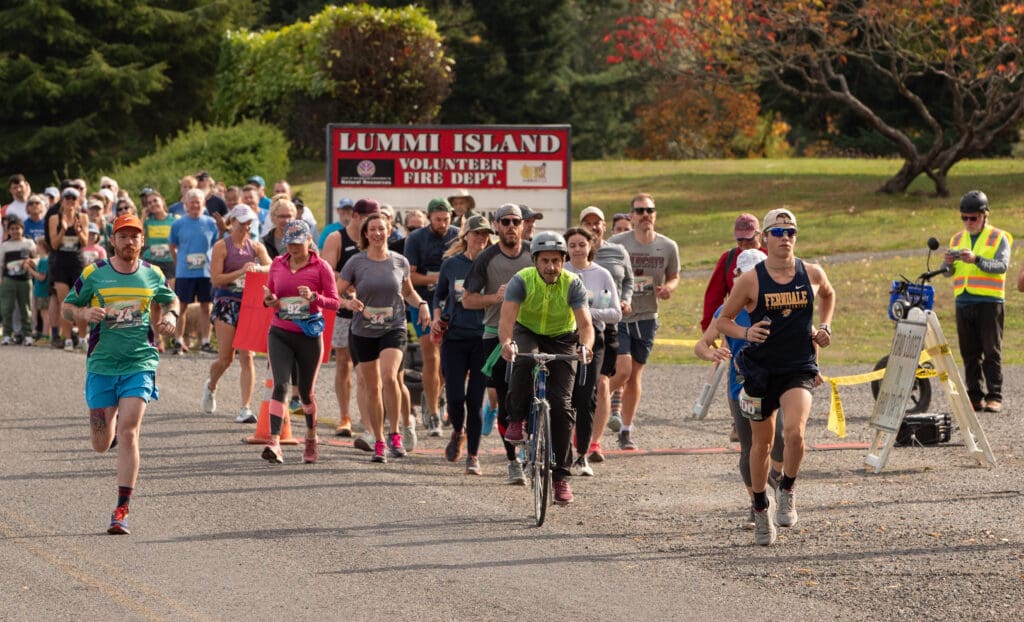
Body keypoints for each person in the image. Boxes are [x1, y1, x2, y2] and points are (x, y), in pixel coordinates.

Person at [716, 208, 835, 546]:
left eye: (791, 233)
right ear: (765, 238)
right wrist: (746, 331)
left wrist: (825, 326)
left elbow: (828, 293)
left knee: (795, 435)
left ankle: (787, 488)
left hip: (798, 367)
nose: (785, 238)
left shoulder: (811, 272)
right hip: (760, 371)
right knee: (761, 445)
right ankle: (758, 506)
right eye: (778, 233)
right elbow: (723, 320)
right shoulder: (751, 279)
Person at [62, 212, 180, 535]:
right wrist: (84, 312)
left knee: (130, 431)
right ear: (112, 240)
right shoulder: (94, 274)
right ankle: (109, 433)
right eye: (123, 236)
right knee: (101, 443)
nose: (129, 241)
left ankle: (122, 509)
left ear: (143, 241)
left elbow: (172, 301)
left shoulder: (153, 274)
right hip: (101, 365)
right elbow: (66, 307)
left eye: (135, 236)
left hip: (139, 363)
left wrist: (170, 316)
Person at [500, 231, 594, 506]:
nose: (551, 267)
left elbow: (586, 325)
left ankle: (561, 477)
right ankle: (517, 420)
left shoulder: (572, 283)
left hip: (562, 336)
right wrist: (507, 343)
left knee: (562, 405)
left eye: (556, 261)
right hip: (527, 330)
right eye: (545, 261)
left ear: (564, 261)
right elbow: (507, 321)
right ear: (535, 261)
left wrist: (585, 347)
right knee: (524, 359)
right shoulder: (522, 280)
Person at [695, 248, 786, 530]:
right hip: (741, 387)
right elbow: (701, 344)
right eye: (744, 273)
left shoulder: (777, 304)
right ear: (735, 277)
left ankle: (779, 480)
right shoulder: (727, 311)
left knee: (781, 438)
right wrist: (711, 354)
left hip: (777, 382)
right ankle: (758, 503)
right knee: (749, 448)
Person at [338, 213, 431, 463]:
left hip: (394, 327)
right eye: (373, 230)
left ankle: (395, 435)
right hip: (363, 330)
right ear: (365, 235)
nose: (378, 233)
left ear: (389, 231)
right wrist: (348, 302)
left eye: (382, 229)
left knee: (390, 376)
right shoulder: (356, 262)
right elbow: (335, 294)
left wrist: (421, 303)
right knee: (372, 387)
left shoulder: (400, 261)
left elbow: (408, 292)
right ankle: (378, 440)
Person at [462, 203, 534, 484]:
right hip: (495, 335)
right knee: (505, 401)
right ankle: (512, 461)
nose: (511, 226)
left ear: (522, 224)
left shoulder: (534, 253)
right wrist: (495, 297)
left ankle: (539, 444)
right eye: (505, 221)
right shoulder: (487, 258)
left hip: (532, 332)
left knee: (536, 393)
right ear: (497, 225)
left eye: (516, 221)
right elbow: (467, 299)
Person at [260, 220, 340, 464]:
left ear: (308, 241)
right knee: (281, 385)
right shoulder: (277, 264)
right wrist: (270, 300)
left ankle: (311, 437)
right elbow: (270, 295)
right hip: (280, 332)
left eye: (297, 243)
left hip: (308, 334)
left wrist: (314, 296)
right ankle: (274, 442)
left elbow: (335, 302)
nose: (292, 248)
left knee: (305, 392)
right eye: (288, 243)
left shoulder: (321, 267)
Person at [608, 193, 680, 450]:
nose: (645, 215)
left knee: (635, 375)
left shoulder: (668, 246)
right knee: (623, 370)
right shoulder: (616, 244)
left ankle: (625, 430)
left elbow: (673, 275)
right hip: (621, 315)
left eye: (650, 210)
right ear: (631, 216)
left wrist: (669, 288)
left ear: (655, 214)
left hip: (648, 316)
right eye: (640, 211)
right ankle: (592, 401)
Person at [433, 214, 493, 474]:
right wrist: (436, 318)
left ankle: (473, 456)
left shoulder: (493, 264)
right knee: (456, 397)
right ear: (465, 235)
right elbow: (438, 297)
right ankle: (458, 430)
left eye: (485, 234)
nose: (481, 238)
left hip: (483, 338)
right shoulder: (451, 265)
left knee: (475, 399)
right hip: (455, 337)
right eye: (476, 233)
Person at [943, 190, 1012, 413]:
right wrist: (947, 264)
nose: (968, 222)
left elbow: (1001, 266)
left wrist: (977, 260)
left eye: (973, 218)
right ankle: (974, 397)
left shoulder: (999, 237)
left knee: (991, 351)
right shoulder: (956, 238)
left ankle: (994, 396)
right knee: (968, 352)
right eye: (964, 217)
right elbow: (948, 272)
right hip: (963, 301)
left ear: (985, 215)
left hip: (989, 301)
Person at [203, 206, 272, 423]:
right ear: (232, 222)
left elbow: (271, 266)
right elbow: (216, 279)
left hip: (249, 304)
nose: (246, 226)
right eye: (242, 222)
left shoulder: (256, 246)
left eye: (249, 222)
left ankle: (245, 408)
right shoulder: (222, 246)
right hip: (226, 302)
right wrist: (242, 271)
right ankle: (211, 385)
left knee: (247, 356)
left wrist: (258, 270)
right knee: (226, 358)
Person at [321, 198, 380, 443]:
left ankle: (368, 422)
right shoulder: (337, 238)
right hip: (344, 309)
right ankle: (344, 416)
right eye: (369, 219)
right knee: (343, 362)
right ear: (356, 216)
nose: (375, 225)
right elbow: (325, 270)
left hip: (371, 310)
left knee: (366, 369)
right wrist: (350, 278)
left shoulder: (375, 238)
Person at [563, 226, 620, 476]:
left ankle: (582, 454)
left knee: (586, 397)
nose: (577, 249)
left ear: (590, 246)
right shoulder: (561, 272)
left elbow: (615, 312)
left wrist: (586, 313)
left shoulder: (602, 275)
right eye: (572, 245)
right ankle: (559, 451)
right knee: (563, 396)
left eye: (581, 244)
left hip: (593, 337)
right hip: (563, 336)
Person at [578, 206, 633, 462]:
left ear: (604, 226)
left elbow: (629, 280)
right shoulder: (570, 257)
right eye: (587, 222)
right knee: (575, 386)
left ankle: (595, 443)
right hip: (572, 329)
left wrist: (624, 299)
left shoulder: (617, 251)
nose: (593, 226)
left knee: (603, 384)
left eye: (597, 222)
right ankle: (572, 437)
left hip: (605, 327)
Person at [402, 197, 459, 436]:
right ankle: (434, 412)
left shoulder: (458, 235)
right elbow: (411, 278)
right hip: (423, 301)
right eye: (438, 220)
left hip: (452, 303)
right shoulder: (415, 239)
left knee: (450, 359)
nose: (443, 224)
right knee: (431, 355)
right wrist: (439, 278)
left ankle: (433, 391)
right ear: (429, 217)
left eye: (446, 219)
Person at [168, 188, 219, 354]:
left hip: (205, 273)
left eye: (198, 202)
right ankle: (178, 341)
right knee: (181, 307)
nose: (195, 205)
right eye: (192, 202)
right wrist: (179, 263)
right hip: (185, 273)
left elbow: (216, 246)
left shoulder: (211, 223)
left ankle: (205, 342)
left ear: (203, 204)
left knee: (207, 307)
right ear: (186, 204)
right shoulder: (177, 224)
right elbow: (172, 246)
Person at [701, 213, 762, 331]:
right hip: (737, 324)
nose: (744, 242)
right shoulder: (728, 258)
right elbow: (714, 295)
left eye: (749, 237)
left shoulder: (770, 256)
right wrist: (708, 325)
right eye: (740, 238)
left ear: (758, 234)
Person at [45, 186, 88, 351]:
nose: (70, 201)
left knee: (81, 301)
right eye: (67, 198)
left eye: (73, 199)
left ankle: (83, 338)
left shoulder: (82, 217)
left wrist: (78, 231)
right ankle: (68, 339)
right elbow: (54, 245)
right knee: (65, 303)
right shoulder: (54, 219)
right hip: (60, 262)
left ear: (78, 201)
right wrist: (63, 229)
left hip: (77, 262)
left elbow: (85, 243)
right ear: (62, 200)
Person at [0, 216, 37, 344]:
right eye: (12, 229)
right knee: (7, 307)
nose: (15, 231)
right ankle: (7, 335)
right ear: (8, 231)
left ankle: (27, 334)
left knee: (26, 308)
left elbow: (38, 259)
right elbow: (1, 264)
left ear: (22, 229)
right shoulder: (5, 246)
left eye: (18, 228)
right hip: (8, 280)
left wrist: (31, 262)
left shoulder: (29, 243)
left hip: (25, 279)